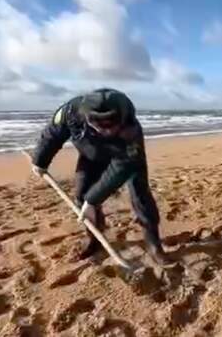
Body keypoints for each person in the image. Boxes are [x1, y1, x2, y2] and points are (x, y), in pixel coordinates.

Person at [31, 88, 169, 263]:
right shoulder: (70, 112)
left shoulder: (130, 128)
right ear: (87, 119)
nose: (107, 133)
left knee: (140, 195)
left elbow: (123, 167)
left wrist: (93, 200)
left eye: (112, 127)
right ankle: (94, 239)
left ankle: (153, 244)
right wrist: (40, 161)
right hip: (91, 154)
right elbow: (52, 134)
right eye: (100, 127)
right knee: (81, 195)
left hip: (126, 159)